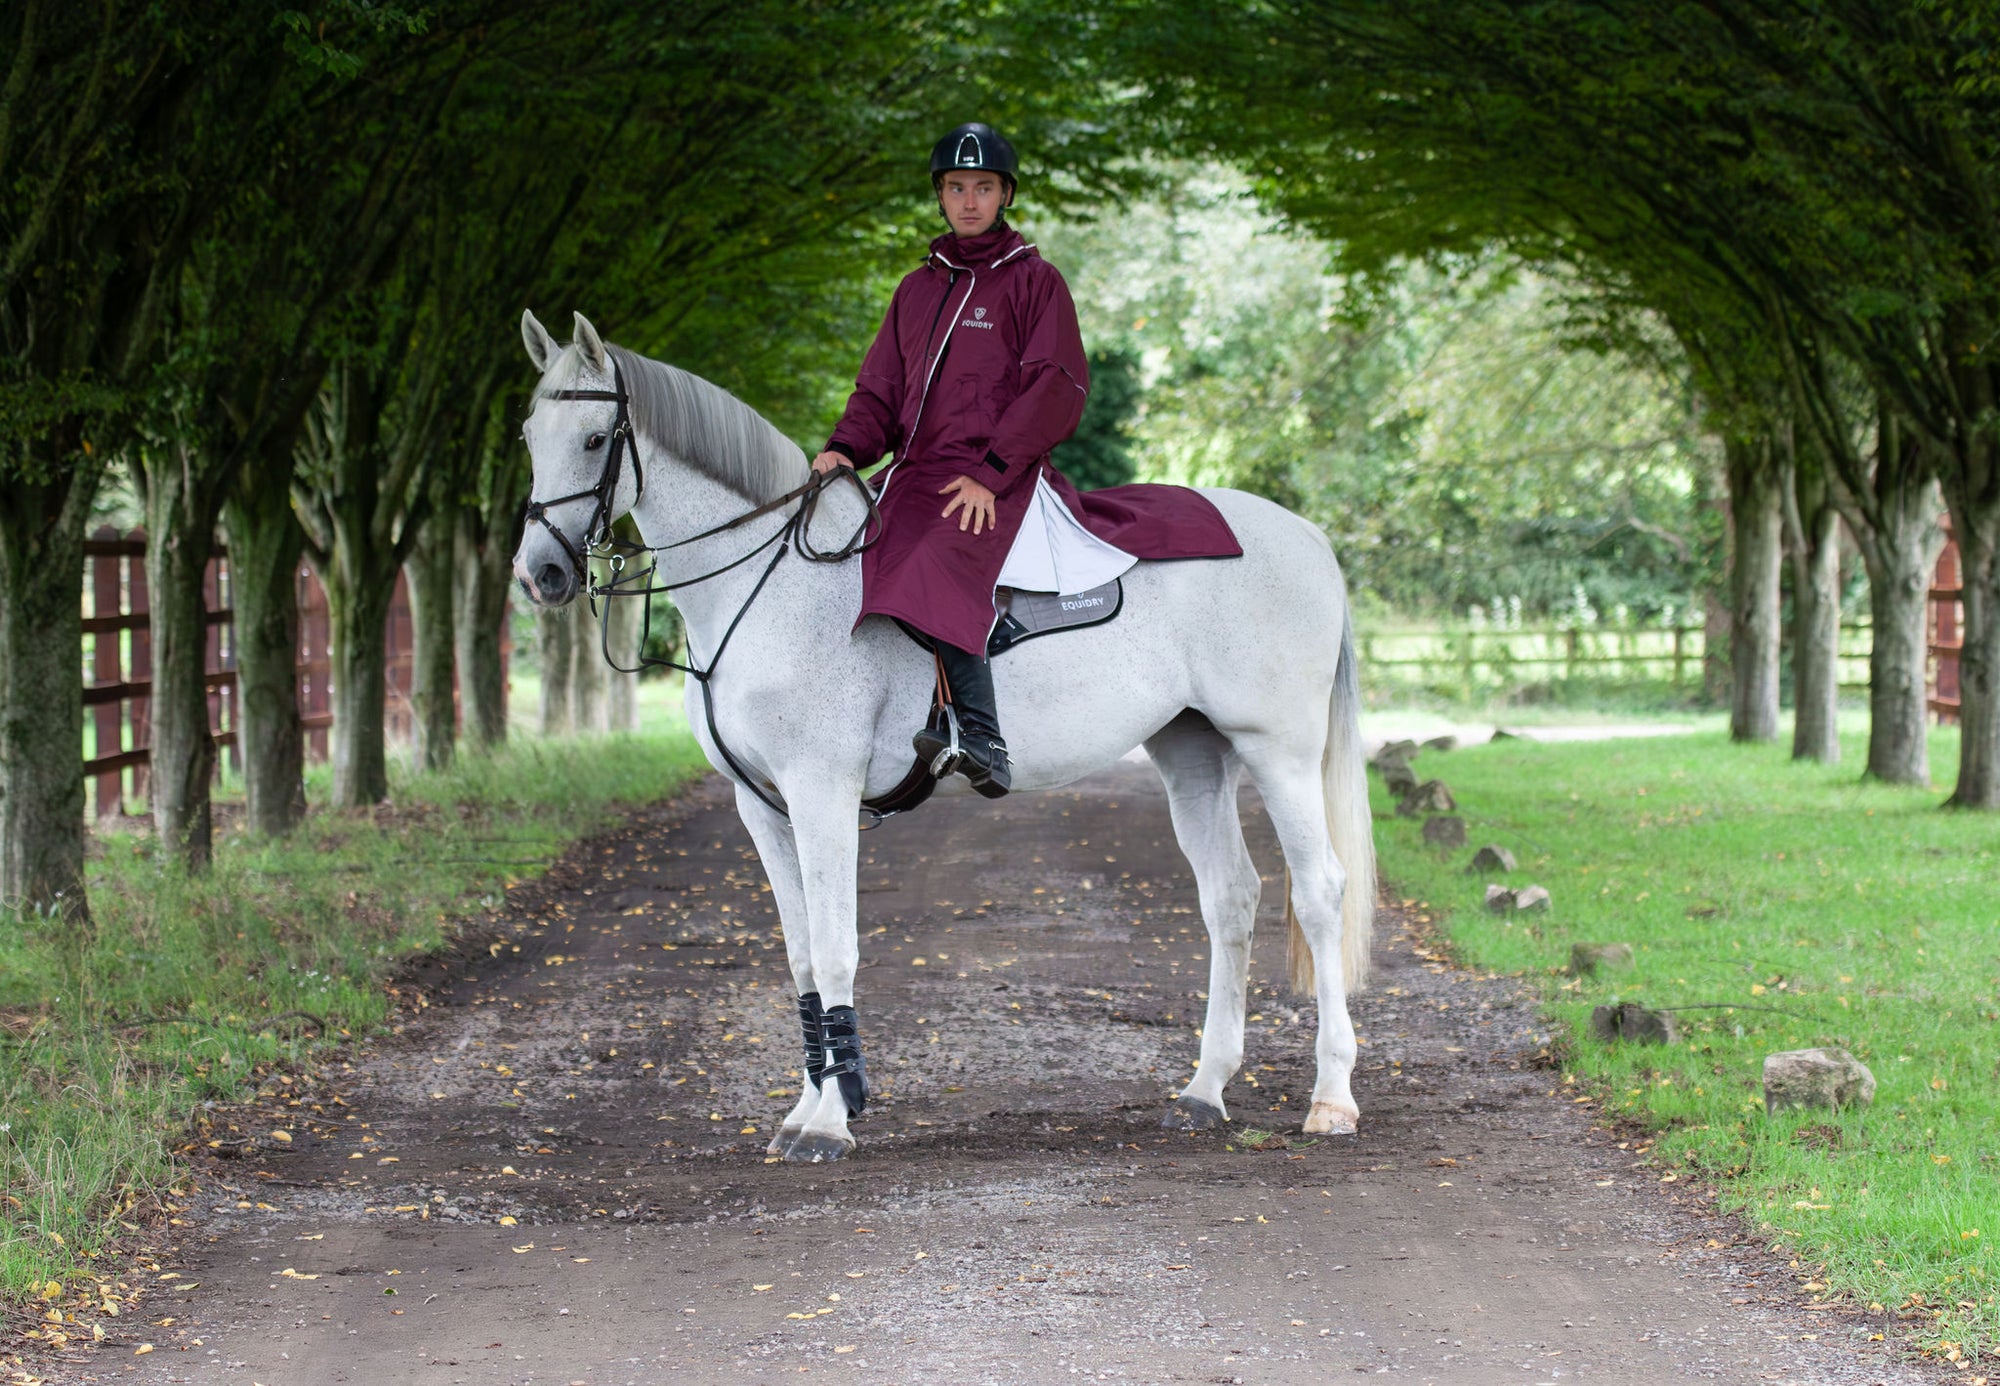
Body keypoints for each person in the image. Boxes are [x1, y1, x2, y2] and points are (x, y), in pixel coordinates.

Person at [814, 122, 1242, 798]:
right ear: (941, 196)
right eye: (956, 187)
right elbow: (879, 390)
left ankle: (977, 733)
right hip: (911, 472)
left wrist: (990, 472)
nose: (969, 200)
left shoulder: (1035, 283)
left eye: (983, 187)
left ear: (1005, 193)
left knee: (935, 555)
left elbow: (1055, 387)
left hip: (994, 476)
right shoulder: (914, 290)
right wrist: (844, 447)